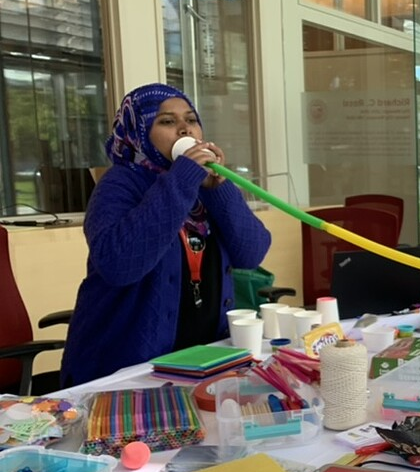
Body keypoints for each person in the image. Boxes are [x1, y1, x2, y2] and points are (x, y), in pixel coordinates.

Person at [61, 84, 271, 386]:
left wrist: (219, 190)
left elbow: (251, 253)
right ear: (140, 131)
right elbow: (119, 264)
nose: (185, 130)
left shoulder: (204, 188)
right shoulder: (119, 184)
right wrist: (182, 179)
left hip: (202, 364)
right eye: (168, 121)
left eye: (191, 120)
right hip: (127, 373)